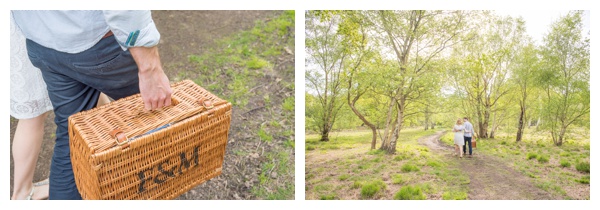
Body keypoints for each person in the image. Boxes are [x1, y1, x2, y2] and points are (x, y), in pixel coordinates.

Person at [11, 10, 173, 200]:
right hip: (96, 42)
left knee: (72, 137)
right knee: (158, 116)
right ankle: (162, 179)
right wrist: (150, 67)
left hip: (44, 44)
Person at [10, 15, 112, 200]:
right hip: (40, 32)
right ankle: (22, 193)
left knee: (88, 94)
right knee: (33, 116)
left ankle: (106, 158)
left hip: (37, 28)